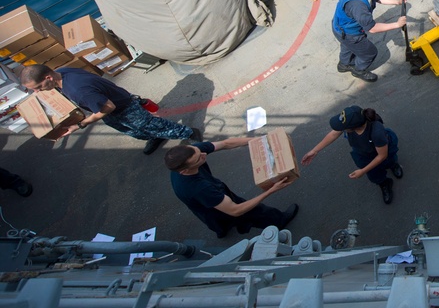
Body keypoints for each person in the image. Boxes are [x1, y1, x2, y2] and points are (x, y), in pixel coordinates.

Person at [20, 64, 199, 155]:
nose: (37, 91)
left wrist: (80, 125)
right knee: (132, 131)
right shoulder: (63, 73)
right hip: (110, 107)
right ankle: (154, 138)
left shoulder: (78, 90)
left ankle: (188, 132)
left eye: (38, 86)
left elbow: (108, 107)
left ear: (48, 77)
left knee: (152, 124)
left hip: (122, 107)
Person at [164, 139, 298, 239]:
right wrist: (271, 190)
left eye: (201, 152)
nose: (204, 154)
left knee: (214, 220)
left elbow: (225, 144)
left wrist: (257, 141)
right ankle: (279, 220)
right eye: (199, 158)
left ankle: (221, 229)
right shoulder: (199, 189)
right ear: (185, 170)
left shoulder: (191, 152)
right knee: (250, 211)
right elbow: (235, 210)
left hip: (202, 204)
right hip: (211, 200)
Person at [302, 106, 403, 205]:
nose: (341, 129)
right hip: (364, 153)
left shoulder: (377, 133)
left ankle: (393, 165)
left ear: (352, 128)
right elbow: (334, 134)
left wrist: (362, 171)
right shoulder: (352, 122)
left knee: (388, 160)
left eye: (344, 128)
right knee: (374, 174)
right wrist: (315, 150)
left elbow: (382, 156)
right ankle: (384, 183)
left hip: (383, 151)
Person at [332, 0, 407, 82]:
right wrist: (397, 24)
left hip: (340, 26)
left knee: (347, 45)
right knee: (369, 53)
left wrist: (397, 2)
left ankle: (343, 64)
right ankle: (359, 70)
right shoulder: (357, 3)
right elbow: (372, 28)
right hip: (349, 32)